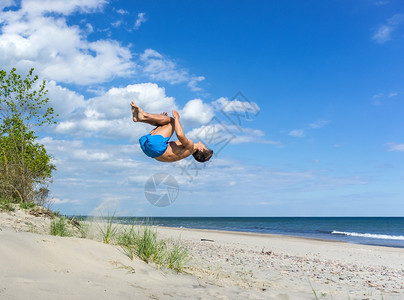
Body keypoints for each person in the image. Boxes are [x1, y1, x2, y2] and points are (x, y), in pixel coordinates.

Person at [131, 101, 213, 163]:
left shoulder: (191, 146)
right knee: (164, 122)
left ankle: (143, 116)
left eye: (205, 147)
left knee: (172, 121)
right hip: (150, 151)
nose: (204, 145)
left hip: (157, 147)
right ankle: (139, 118)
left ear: (201, 150)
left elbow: (180, 135)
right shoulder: (184, 153)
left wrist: (177, 117)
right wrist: (161, 121)